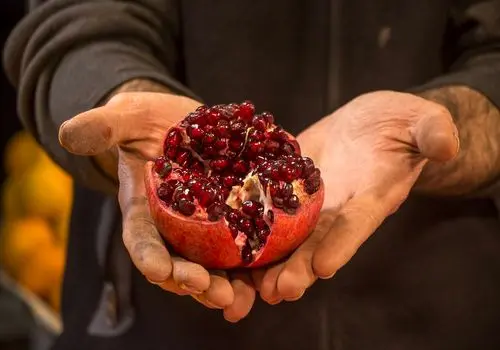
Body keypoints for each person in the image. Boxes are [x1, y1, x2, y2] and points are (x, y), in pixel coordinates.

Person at [4, 0, 500, 349]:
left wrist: (463, 117)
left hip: (441, 314)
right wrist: (117, 96)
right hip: (152, 327)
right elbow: (76, 21)